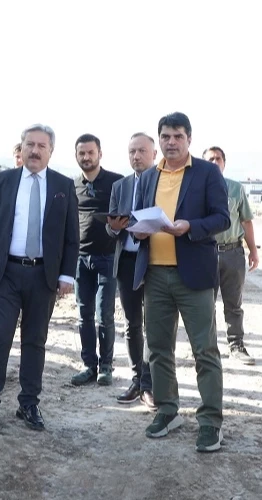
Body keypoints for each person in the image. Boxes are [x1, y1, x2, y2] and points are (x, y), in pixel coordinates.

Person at [133, 112, 229, 452]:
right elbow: (139, 216)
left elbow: (222, 218)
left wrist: (191, 227)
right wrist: (136, 230)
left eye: (177, 136)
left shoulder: (206, 173)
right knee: (158, 348)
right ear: (159, 139)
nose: (171, 142)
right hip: (155, 274)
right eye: (165, 136)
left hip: (194, 276)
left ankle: (211, 421)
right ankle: (168, 410)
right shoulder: (148, 176)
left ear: (189, 139)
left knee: (204, 350)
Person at [0, 124, 79, 433]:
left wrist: (66, 275)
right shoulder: (2, 181)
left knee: (35, 340)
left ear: (51, 151)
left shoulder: (63, 185)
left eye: (41, 146)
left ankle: (29, 403)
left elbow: (71, 237)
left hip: (43, 276)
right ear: (21, 148)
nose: (34, 150)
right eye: (29, 144)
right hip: (5, 273)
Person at [106, 133, 156, 409]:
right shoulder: (120, 186)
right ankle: (137, 380)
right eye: (131, 151)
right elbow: (110, 225)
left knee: (154, 325)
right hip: (126, 261)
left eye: (141, 151)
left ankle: (150, 384)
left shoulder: (162, 182)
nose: (136, 156)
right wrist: (113, 227)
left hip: (154, 260)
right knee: (132, 323)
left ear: (154, 154)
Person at [70, 134, 124, 387]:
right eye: (82, 153)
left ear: (100, 154)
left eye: (90, 152)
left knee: (105, 315)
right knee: (84, 315)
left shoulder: (116, 183)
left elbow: (126, 217)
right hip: (80, 259)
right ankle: (89, 365)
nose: (86, 157)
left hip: (108, 257)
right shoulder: (72, 186)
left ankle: (106, 367)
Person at [203, 146, 258, 365]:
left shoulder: (236, 188)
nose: (214, 162)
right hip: (206, 253)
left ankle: (236, 345)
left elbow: (246, 221)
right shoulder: (197, 188)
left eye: (218, 158)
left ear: (224, 163)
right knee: (205, 304)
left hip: (233, 253)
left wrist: (253, 250)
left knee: (234, 303)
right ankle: (207, 347)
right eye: (210, 159)